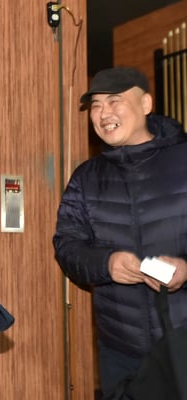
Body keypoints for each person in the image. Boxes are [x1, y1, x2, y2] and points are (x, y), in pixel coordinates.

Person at [53, 66, 187, 397]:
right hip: (121, 351)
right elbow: (67, 246)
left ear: (146, 104)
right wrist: (107, 264)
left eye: (114, 101)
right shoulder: (86, 178)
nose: (103, 114)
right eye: (96, 105)